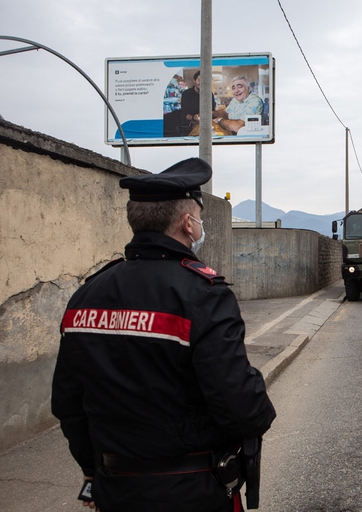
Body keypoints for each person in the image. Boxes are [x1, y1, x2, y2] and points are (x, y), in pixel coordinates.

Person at [52, 158, 276, 512]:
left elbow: (68, 402)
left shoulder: (87, 294)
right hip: (191, 489)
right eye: (199, 219)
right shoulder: (204, 294)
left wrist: (93, 472)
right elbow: (239, 405)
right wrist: (259, 407)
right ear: (188, 223)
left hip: (115, 489)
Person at [164, 71, 220, 137]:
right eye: (199, 80)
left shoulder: (209, 94)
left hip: (205, 124)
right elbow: (184, 114)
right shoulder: (187, 94)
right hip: (188, 126)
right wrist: (193, 118)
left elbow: (211, 112)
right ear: (194, 80)